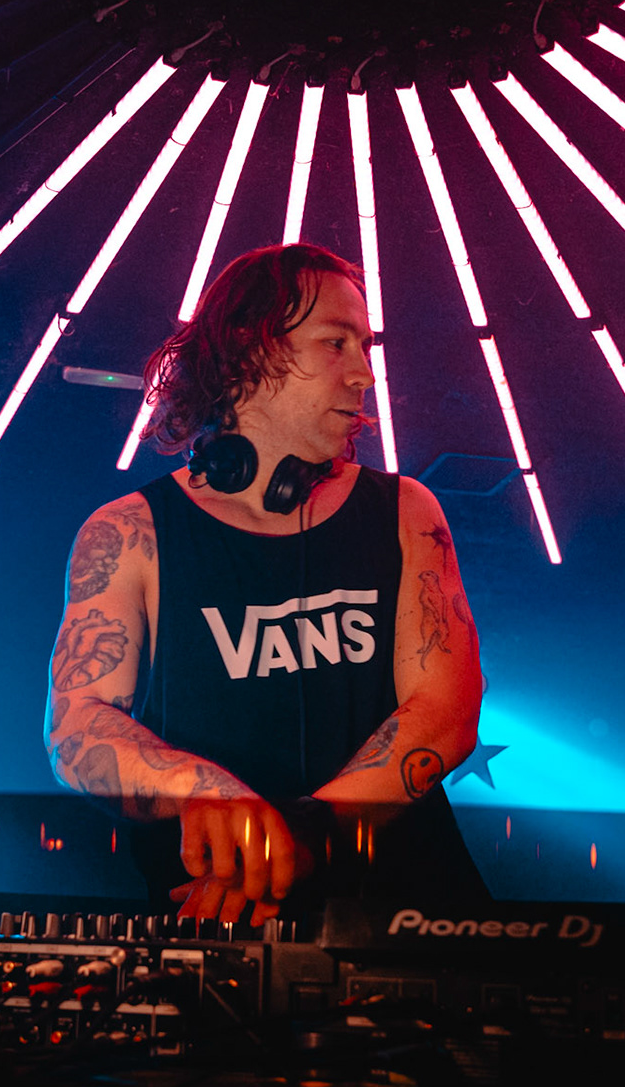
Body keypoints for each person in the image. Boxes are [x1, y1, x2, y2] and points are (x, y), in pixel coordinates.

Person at [43, 243, 487, 922]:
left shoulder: (405, 512)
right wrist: (208, 791)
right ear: (249, 353)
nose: (364, 374)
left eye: (364, 347)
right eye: (335, 343)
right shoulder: (129, 534)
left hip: (405, 921)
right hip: (216, 921)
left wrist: (299, 836)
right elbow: (78, 726)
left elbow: (445, 711)